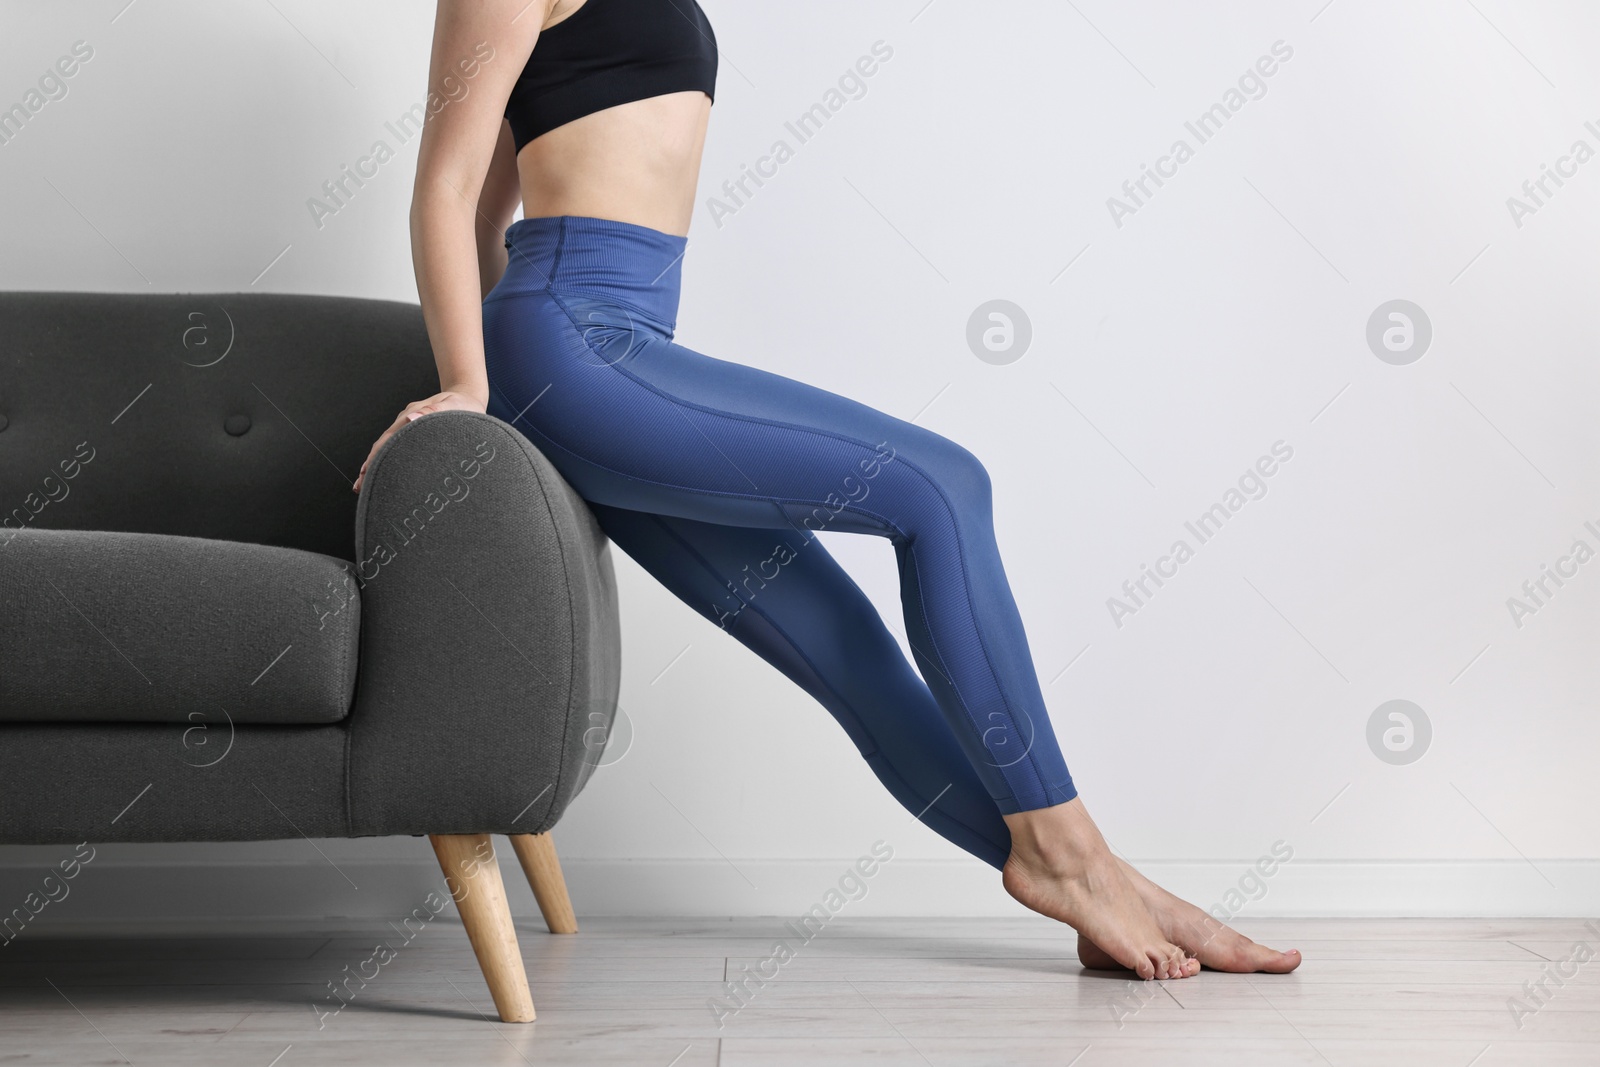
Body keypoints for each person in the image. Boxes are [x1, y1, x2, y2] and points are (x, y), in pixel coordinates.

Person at [355, 0, 1300, 981]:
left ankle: (1085, 873)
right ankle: (1072, 851)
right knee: (939, 488)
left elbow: (490, 197)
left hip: (617, 350)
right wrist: (472, 384)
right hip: (574, 343)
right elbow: (451, 186)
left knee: (848, 652)